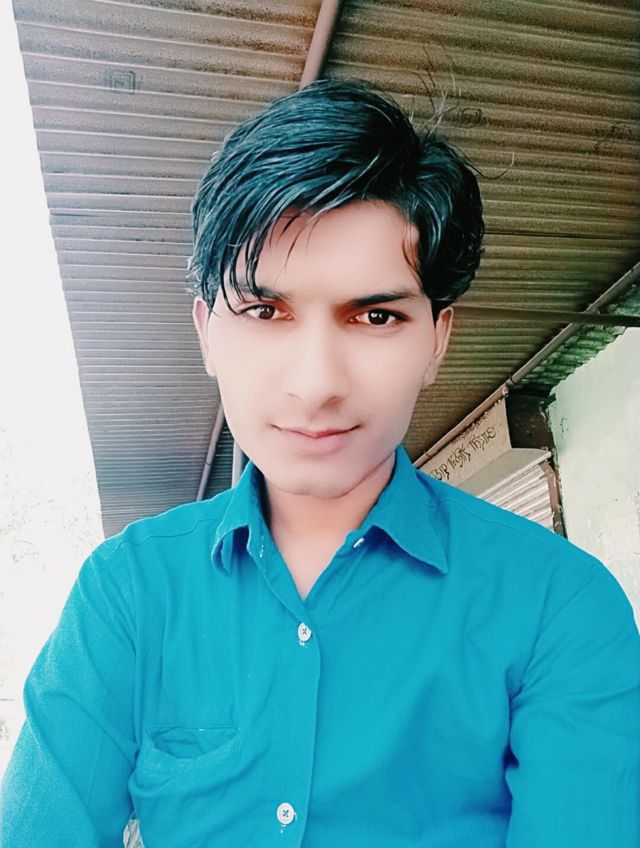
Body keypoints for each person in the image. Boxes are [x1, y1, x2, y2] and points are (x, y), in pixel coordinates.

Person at [1, 77, 639, 848]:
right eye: (264, 311)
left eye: (375, 315)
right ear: (207, 332)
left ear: (437, 340)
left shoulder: (558, 606)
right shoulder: (129, 593)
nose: (316, 384)